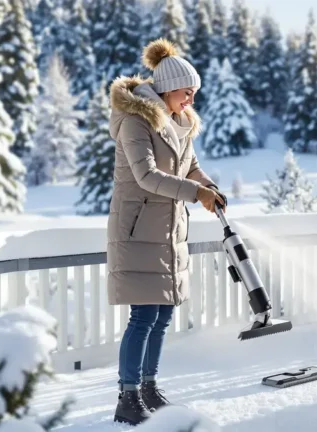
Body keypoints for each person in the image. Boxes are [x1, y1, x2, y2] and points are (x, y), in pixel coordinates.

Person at [106, 38, 227, 426]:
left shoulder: (181, 123)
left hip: (169, 230)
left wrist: (209, 187)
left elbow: (189, 167)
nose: (191, 97)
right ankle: (127, 396)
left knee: (162, 315)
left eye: (194, 92)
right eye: (186, 91)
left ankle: (148, 387)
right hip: (138, 227)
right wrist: (196, 193)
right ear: (165, 88)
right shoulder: (135, 121)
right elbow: (146, 176)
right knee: (142, 316)